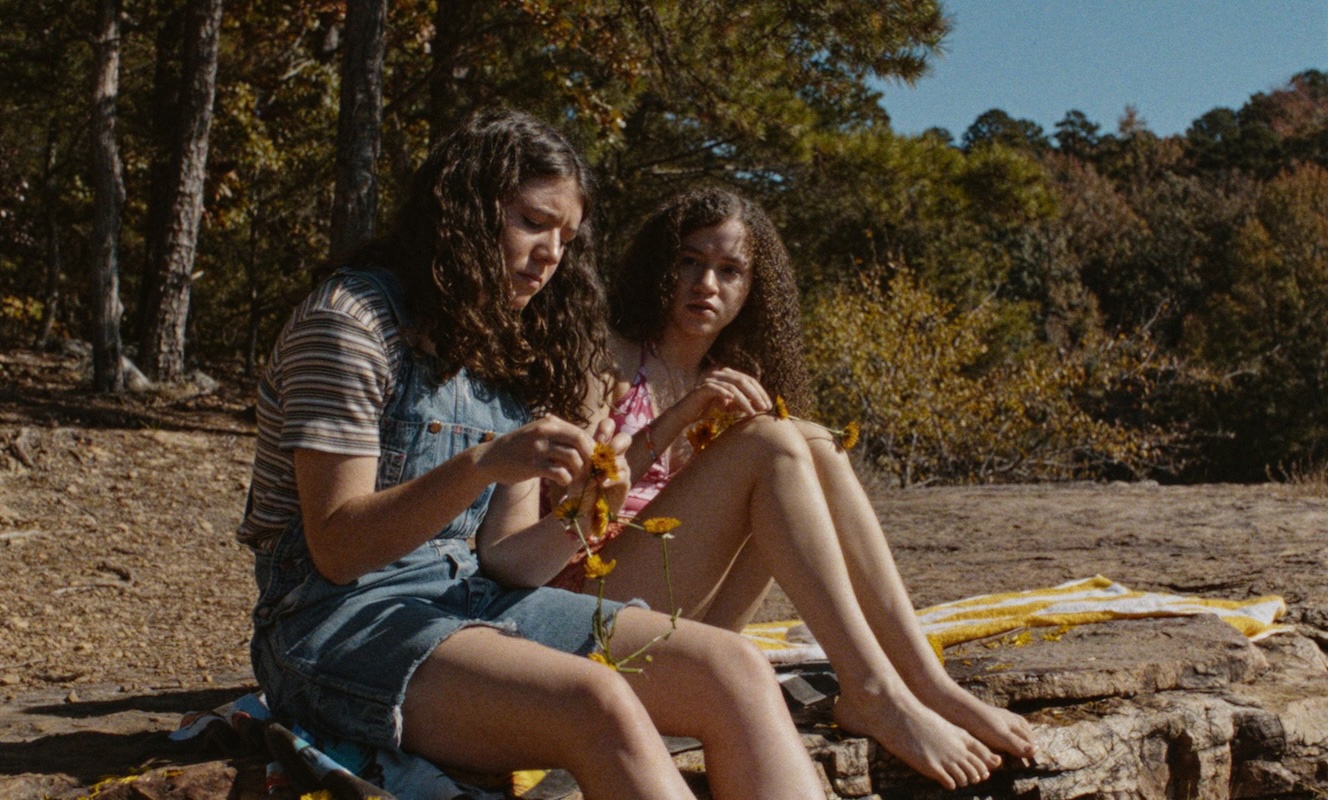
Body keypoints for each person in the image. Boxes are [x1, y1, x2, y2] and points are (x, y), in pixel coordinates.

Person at [238, 112, 824, 800]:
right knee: (595, 700)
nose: (550, 255)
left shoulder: (507, 341)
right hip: (333, 627)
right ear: (463, 212)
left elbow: (508, 561)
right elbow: (338, 550)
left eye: (566, 238)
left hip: (472, 601)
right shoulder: (348, 324)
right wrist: (483, 464)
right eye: (533, 223)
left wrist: (585, 514)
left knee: (733, 668)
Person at [555, 186, 1039, 791]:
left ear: (753, 288)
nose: (706, 283)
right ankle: (871, 691)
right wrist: (680, 417)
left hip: (691, 620)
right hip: (589, 605)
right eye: (689, 261)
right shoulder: (606, 355)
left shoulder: (731, 377)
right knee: (771, 442)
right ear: (659, 265)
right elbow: (574, 496)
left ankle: (926, 683)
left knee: (814, 441)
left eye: (729, 270)